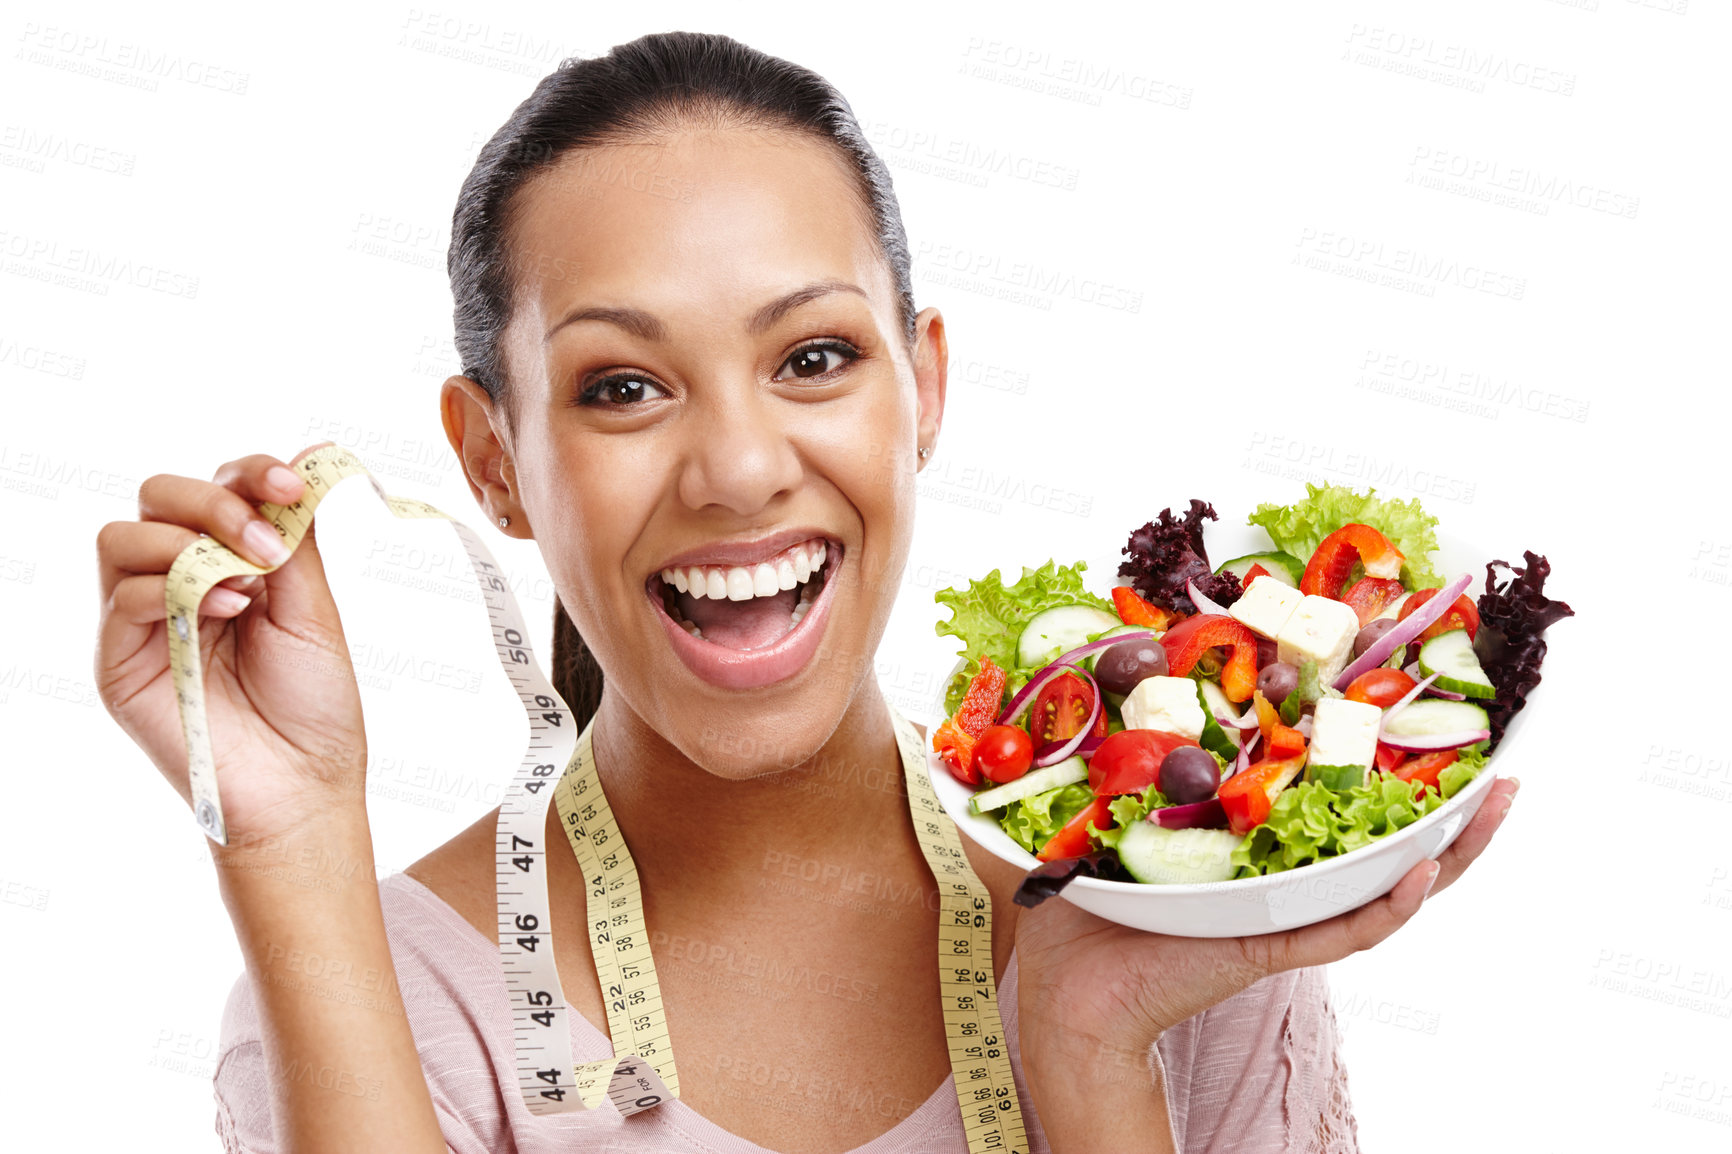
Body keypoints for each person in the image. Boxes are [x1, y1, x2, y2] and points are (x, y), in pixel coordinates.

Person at [93, 30, 1517, 1154]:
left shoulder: (1177, 915)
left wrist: (1086, 1056)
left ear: (927, 388)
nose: (736, 466)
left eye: (815, 357)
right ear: (495, 463)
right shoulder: (409, 1004)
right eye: (624, 386)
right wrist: (291, 849)